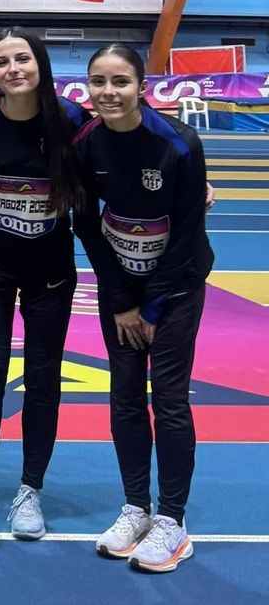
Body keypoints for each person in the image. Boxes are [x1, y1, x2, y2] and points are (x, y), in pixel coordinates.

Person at [74, 44, 212, 573]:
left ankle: (172, 522)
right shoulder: (86, 143)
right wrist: (121, 302)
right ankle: (136, 508)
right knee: (126, 396)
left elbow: (188, 234)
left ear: (141, 87)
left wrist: (150, 309)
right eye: (98, 82)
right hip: (123, 293)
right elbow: (86, 225)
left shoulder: (178, 144)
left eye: (120, 82)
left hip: (175, 289)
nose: (108, 92)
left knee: (169, 399)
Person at [0, 28, 88, 541]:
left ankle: (30, 490)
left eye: (23, 59)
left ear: (41, 64)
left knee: (42, 376)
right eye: (2, 62)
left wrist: (196, 180)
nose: (13, 69)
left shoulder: (70, 119)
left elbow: (125, 139)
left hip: (50, 270)